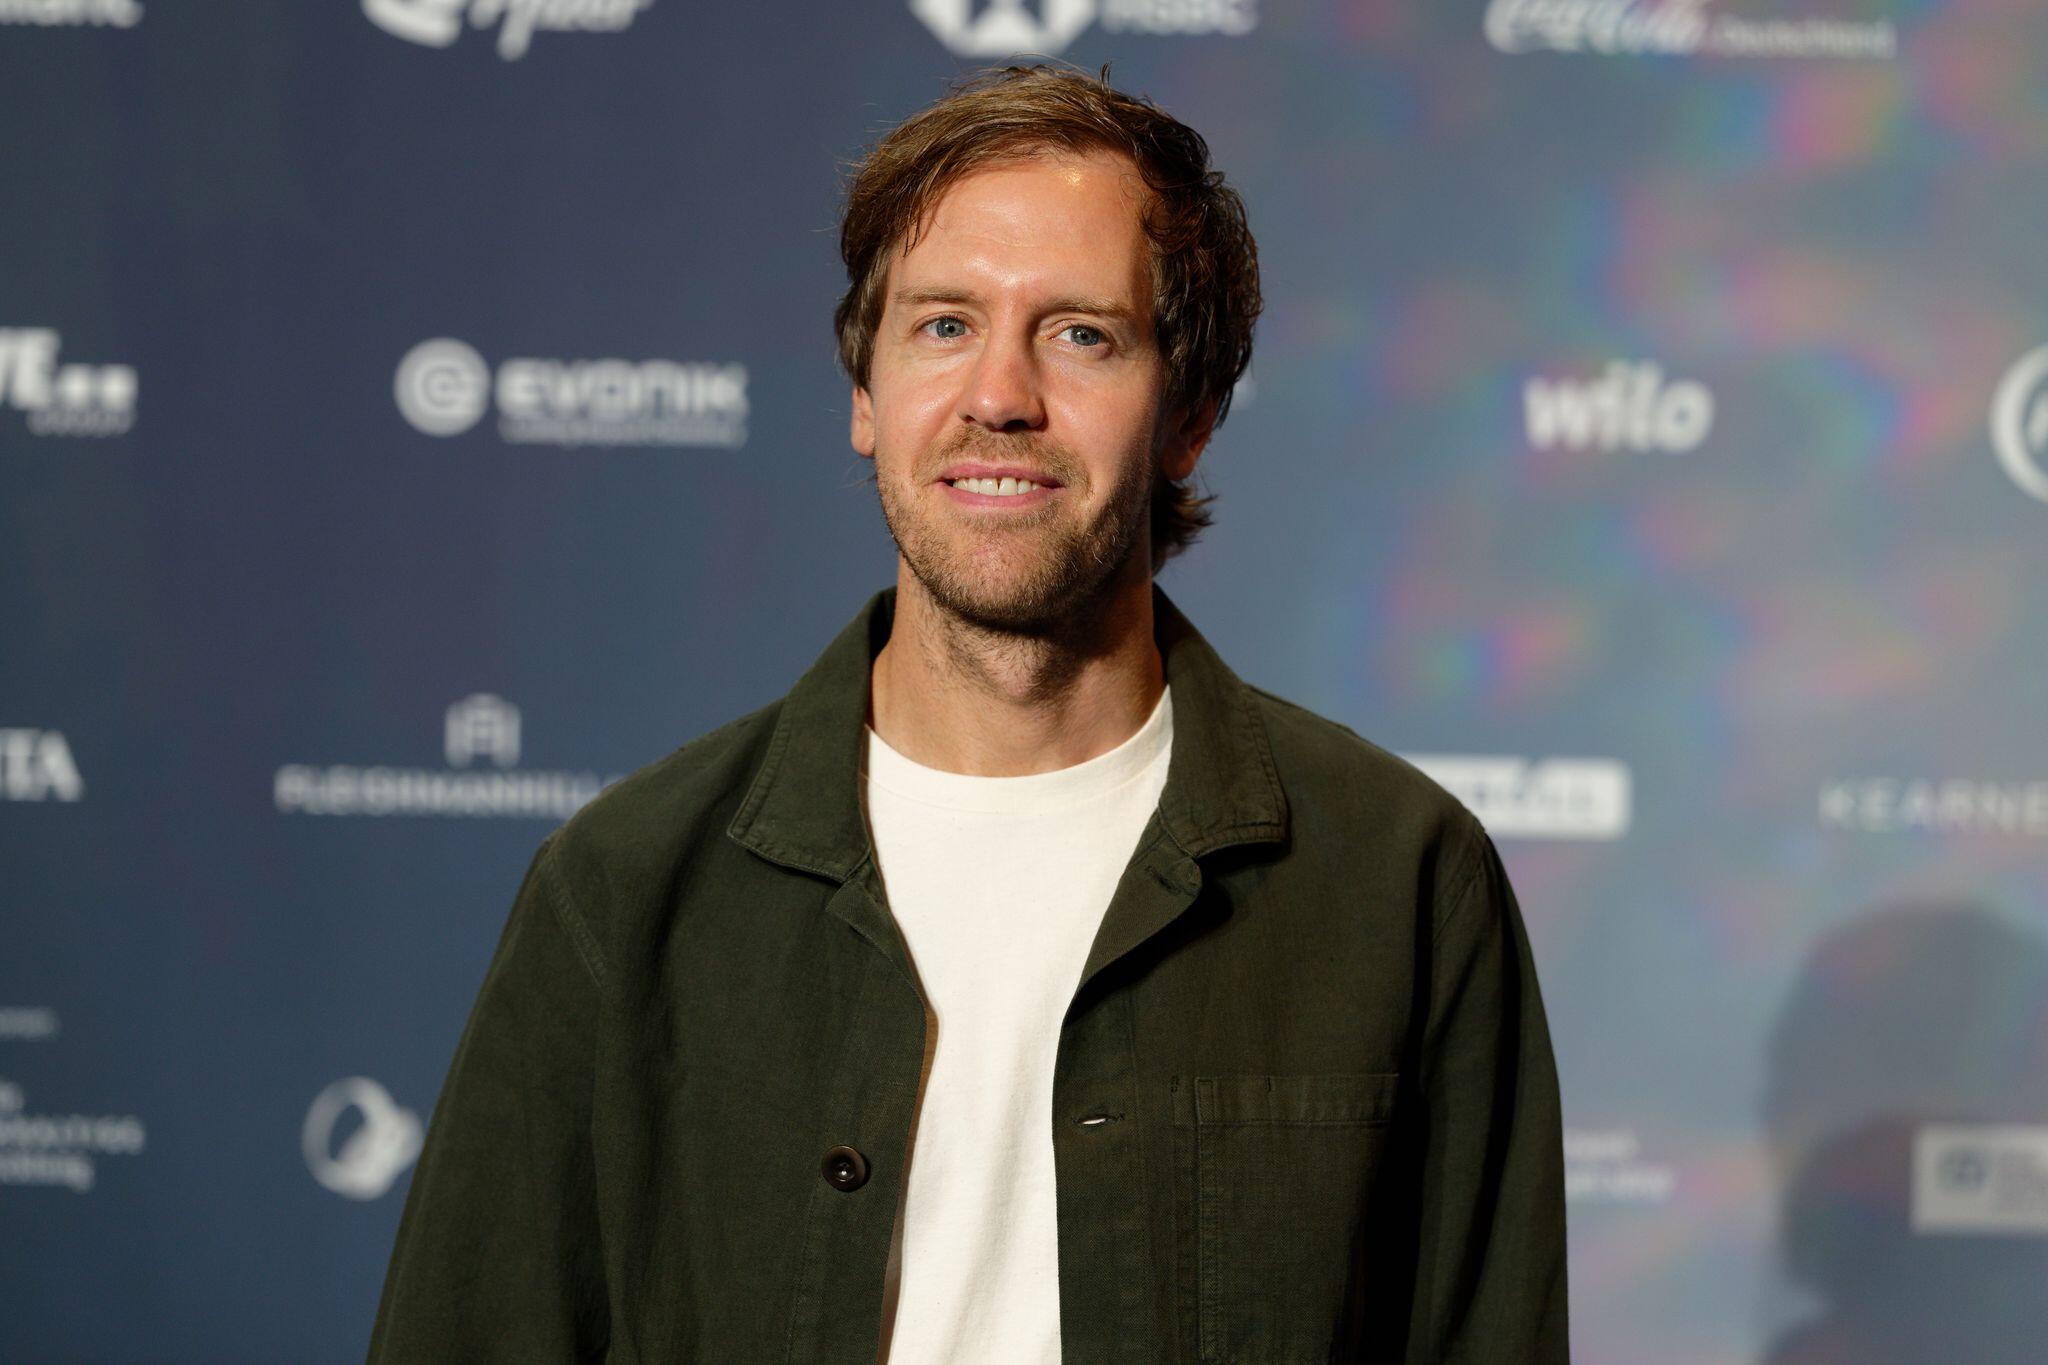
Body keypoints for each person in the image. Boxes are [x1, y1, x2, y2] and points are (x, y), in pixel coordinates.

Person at [367, 64, 1568, 1364]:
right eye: (944, 325)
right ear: (865, 396)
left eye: (1080, 334)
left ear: (1190, 417)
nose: (999, 394)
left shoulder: (1398, 883)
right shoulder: (624, 891)